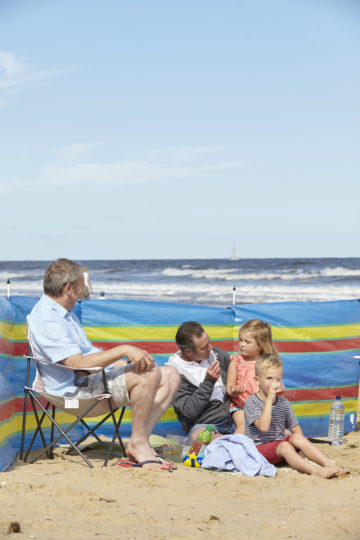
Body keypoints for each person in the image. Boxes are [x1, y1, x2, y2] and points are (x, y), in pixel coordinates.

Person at [27, 258, 180, 470]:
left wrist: (117, 362)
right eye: (82, 287)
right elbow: (78, 364)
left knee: (171, 374)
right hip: (74, 394)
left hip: (87, 381)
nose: (84, 292)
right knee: (149, 374)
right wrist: (124, 349)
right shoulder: (48, 319)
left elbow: (86, 355)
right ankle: (139, 444)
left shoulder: (65, 314)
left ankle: (140, 441)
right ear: (68, 288)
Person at [244, 354, 349, 479]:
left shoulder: (283, 402)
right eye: (269, 378)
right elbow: (264, 427)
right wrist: (269, 401)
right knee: (284, 446)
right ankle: (314, 470)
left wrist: (298, 444)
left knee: (295, 438)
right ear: (257, 380)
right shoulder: (251, 402)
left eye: (278, 379)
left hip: (280, 448)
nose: (274, 383)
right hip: (259, 450)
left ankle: (329, 465)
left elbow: (298, 432)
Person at [166, 321, 234, 441]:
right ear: (188, 352)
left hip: (234, 418)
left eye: (209, 342)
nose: (210, 347)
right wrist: (208, 382)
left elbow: (238, 367)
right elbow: (189, 412)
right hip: (204, 425)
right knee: (202, 437)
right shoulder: (174, 373)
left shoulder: (215, 354)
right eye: (204, 347)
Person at [226, 319, 278, 434]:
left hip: (262, 407)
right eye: (240, 340)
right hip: (240, 407)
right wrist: (234, 392)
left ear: (260, 344)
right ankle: (232, 447)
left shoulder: (267, 363)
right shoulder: (236, 362)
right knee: (244, 425)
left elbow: (275, 387)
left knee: (279, 428)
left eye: (247, 342)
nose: (242, 344)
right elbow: (229, 389)